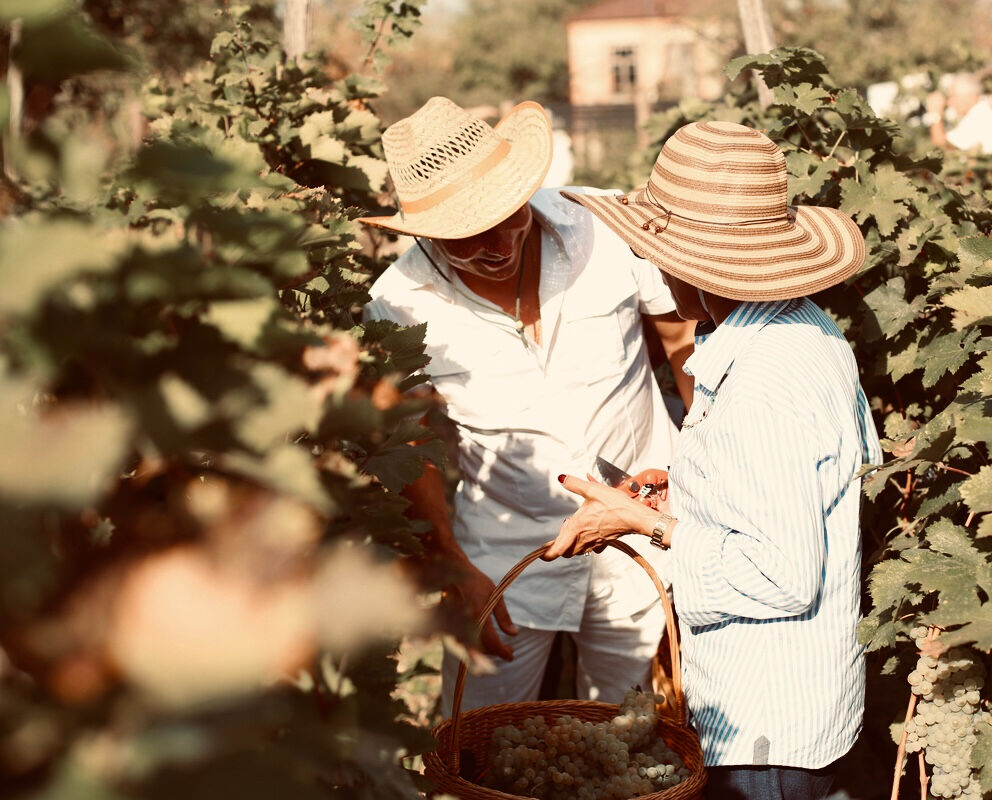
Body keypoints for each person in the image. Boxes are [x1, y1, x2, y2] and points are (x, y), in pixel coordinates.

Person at [544, 121, 883, 800]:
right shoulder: (797, 328)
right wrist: (689, 488)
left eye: (659, 253)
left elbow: (782, 577)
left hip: (767, 728)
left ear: (700, 267)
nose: (654, 267)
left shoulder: (765, 383)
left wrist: (653, 528)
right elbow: (810, 477)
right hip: (792, 706)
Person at [360, 96, 695, 715]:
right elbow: (411, 442)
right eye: (466, 236)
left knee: (634, 736)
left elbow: (682, 338)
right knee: (481, 740)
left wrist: (703, 465)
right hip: (501, 551)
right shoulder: (398, 303)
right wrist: (450, 563)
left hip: (644, 529)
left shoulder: (605, 226)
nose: (496, 244)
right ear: (423, 232)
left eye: (508, 217)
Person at [926, 72, 992, 154]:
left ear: (969, 96)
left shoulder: (979, 115)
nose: (949, 103)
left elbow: (944, 144)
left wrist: (935, 113)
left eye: (952, 96)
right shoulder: (982, 110)